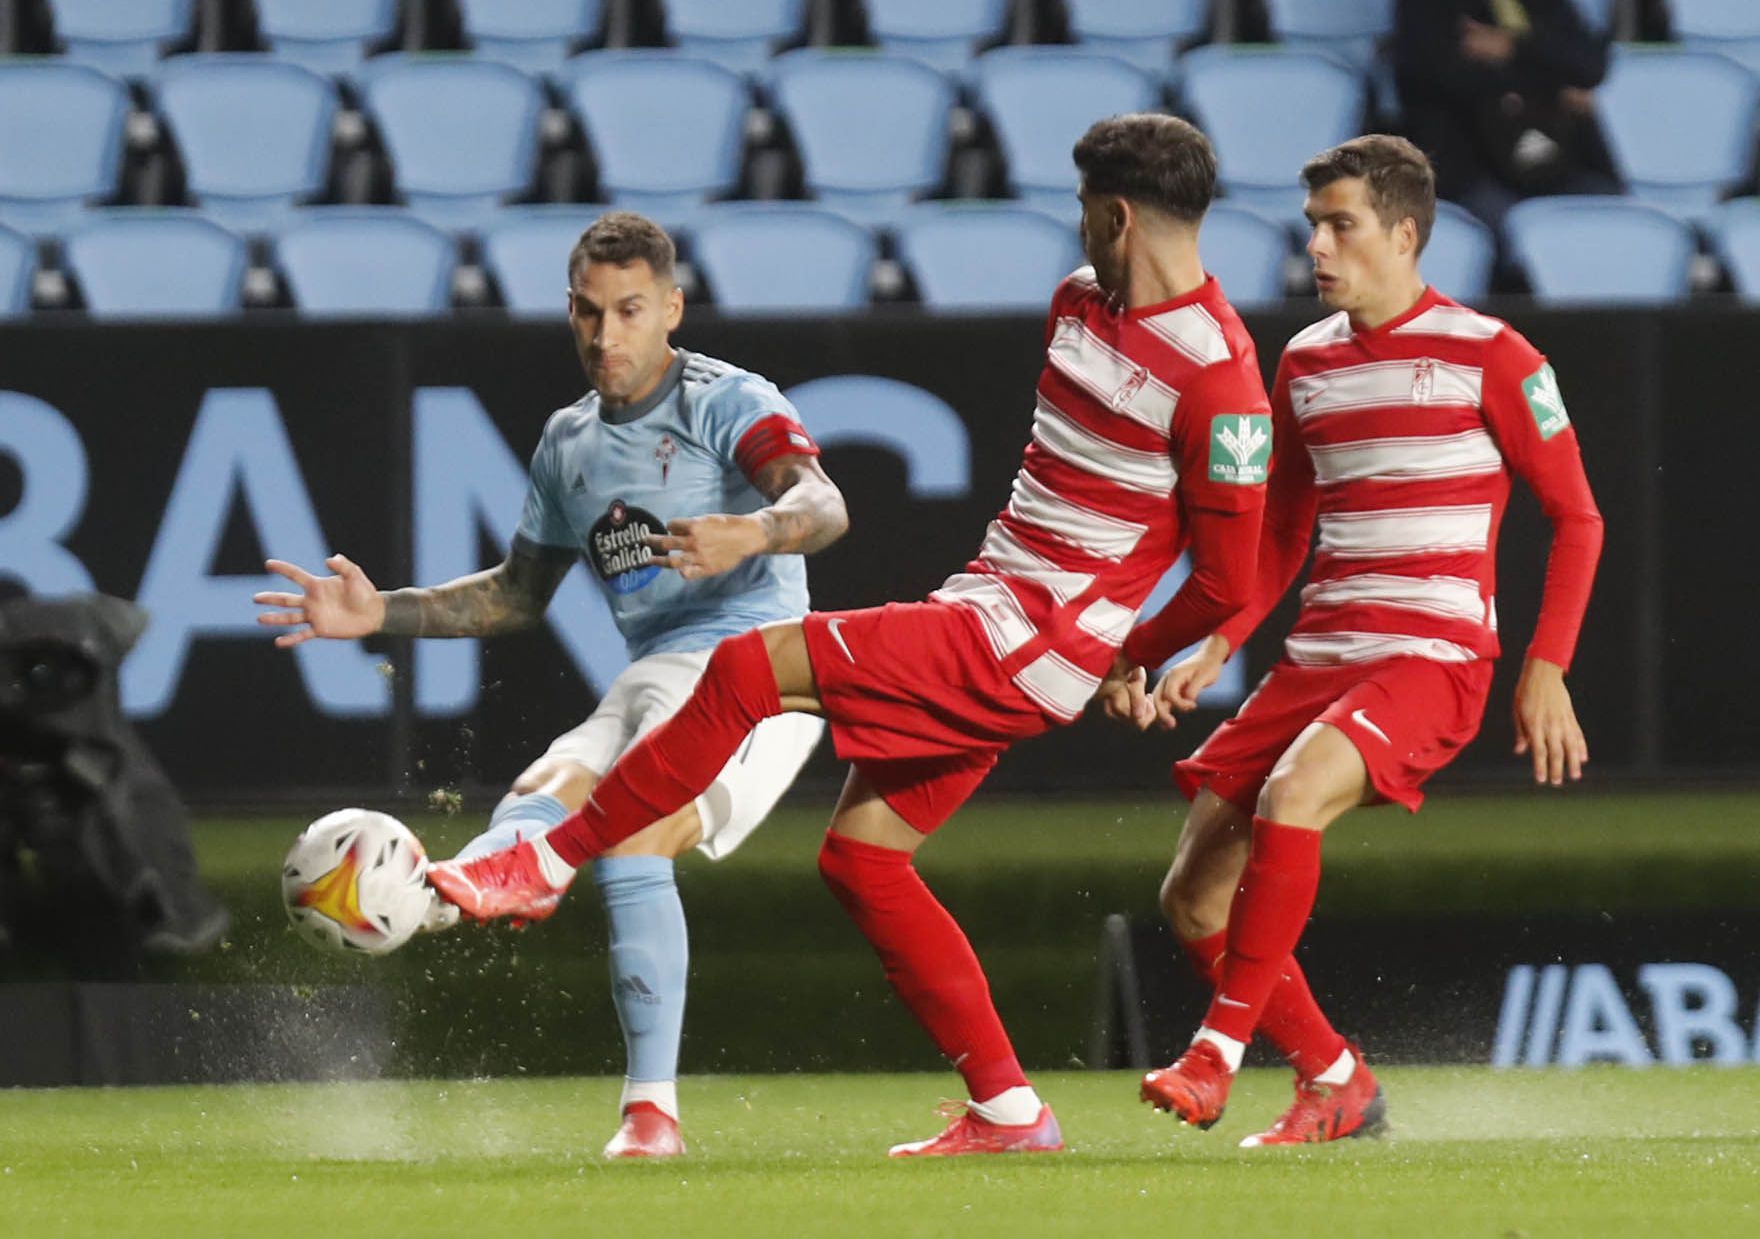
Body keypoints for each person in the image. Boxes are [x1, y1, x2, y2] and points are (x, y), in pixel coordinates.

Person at [427, 113, 1275, 1158]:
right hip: (991, 606)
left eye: (1082, 212)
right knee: (863, 857)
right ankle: (1010, 1109)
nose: (1079, 232)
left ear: (1114, 212)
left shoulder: (1221, 379)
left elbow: (1229, 579)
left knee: (747, 664)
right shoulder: (1076, 302)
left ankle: (545, 861)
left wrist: (1122, 649)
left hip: (1026, 638)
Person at [251, 211, 848, 1160]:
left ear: (672, 310)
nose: (606, 335)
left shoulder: (727, 400)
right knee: (543, 789)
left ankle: (649, 1109)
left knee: (627, 829)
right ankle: (454, 891)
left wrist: (758, 530)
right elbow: (516, 596)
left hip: (763, 671)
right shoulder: (569, 443)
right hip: (657, 675)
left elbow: (822, 502)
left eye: (629, 310)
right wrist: (383, 614)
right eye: (587, 311)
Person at [1125, 135, 1603, 1146]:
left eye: (1339, 224)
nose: (1317, 245)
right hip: (1315, 662)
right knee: (1190, 896)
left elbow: (1577, 517)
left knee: (1294, 796)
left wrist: (1545, 665)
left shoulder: (1494, 354)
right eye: (1311, 225)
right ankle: (1337, 1079)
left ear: (1403, 231)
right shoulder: (1304, 362)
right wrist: (1222, 639)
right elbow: (1282, 532)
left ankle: (1214, 1052)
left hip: (1429, 658)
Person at [1392, 0, 1620, 232]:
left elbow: (1590, 66)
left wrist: (1513, 46)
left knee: (1614, 220)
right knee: (1517, 231)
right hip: (1472, 164)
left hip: (1562, 156)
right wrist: (1553, 86)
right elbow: (1442, 77)